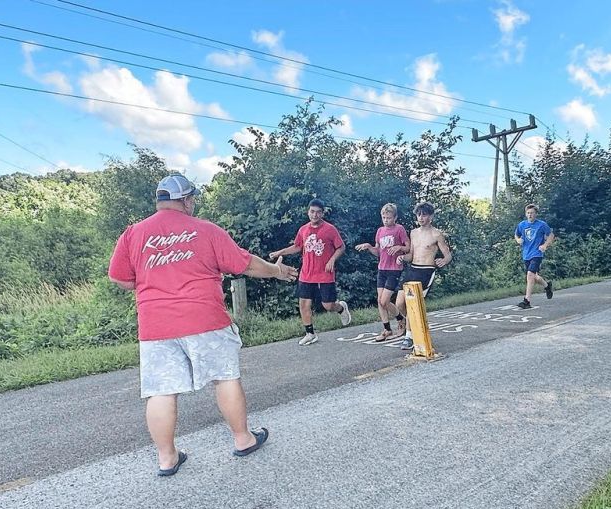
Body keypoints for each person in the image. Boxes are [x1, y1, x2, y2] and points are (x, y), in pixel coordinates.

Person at [108, 173, 299, 477]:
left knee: (161, 391)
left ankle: (167, 459)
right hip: (205, 318)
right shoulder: (205, 230)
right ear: (185, 199)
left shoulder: (133, 234)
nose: (193, 204)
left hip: (156, 326)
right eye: (192, 199)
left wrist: (153, 280)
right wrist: (276, 271)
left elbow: (119, 278)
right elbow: (245, 264)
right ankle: (243, 439)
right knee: (225, 377)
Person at [269, 198, 351, 345]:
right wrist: (279, 252)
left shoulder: (330, 229)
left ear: (322, 214)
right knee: (303, 304)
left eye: (318, 212)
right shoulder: (303, 230)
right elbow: (297, 246)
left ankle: (341, 308)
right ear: (308, 212)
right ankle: (310, 333)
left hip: (325, 273)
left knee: (328, 305)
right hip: (307, 273)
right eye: (312, 212)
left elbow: (341, 247)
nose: (315, 215)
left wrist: (332, 260)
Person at [394, 201, 453, 351]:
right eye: (419, 214)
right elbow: (411, 255)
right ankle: (415, 323)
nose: (421, 218)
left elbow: (448, 255)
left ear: (431, 216)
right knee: (400, 303)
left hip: (426, 271)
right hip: (412, 269)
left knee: (412, 302)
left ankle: (409, 336)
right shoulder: (413, 233)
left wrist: (443, 260)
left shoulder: (436, 234)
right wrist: (402, 257)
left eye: (424, 215)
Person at [355, 203, 411, 342]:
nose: (386, 220)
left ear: (395, 217)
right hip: (382, 268)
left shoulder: (399, 229)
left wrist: (399, 247)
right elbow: (378, 252)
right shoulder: (380, 231)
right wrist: (368, 247)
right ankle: (386, 329)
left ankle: (401, 320)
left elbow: (408, 247)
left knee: (385, 300)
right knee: (380, 301)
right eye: (384, 217)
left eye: (389, 218)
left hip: (394, 269)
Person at [514, 203, 555, 309]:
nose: (530, 215)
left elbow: (551, 235)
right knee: (534, 277)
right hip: (526, 254)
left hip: (537, 253)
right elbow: (516, 234)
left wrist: (545, 245)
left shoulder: (541, 224)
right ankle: (547, 286)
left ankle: (526, 300)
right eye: (528, 213)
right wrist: (518, 240)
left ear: (536, 214)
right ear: (526, 214)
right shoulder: (522, 225)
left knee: (530, 275)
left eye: (532, 213)